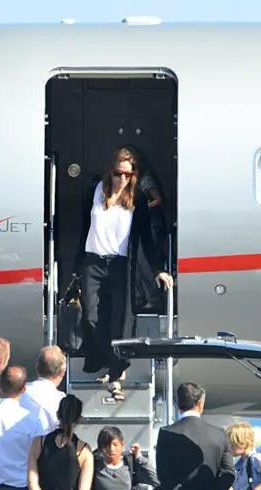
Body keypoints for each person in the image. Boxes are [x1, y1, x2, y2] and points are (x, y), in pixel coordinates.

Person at [79, 148, 174, 401]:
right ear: (110, 172)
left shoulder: (138, 199)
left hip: (121, 265)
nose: (122, 179)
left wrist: (158, 269)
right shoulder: (95, 191)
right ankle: (102, 361)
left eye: (128, 175)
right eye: (118, 173)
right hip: (93, 262)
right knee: (91, 316)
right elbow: (83, 226)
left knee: (120, 320)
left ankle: (115, 375)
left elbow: (146, 239)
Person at [22, 345, 67, 433]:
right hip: (44, 440)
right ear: (62, 373)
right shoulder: (61, 400)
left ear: (37, 368)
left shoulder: (19, 391)